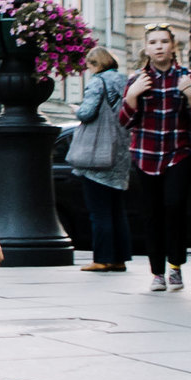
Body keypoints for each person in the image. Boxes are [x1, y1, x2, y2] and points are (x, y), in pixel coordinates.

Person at [122, 26, 191, 292]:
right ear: (146, 48)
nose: (159, 47)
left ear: (173, 47)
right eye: (153, 42)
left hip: (178, 154)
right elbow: (124, 122)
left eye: (164, 42)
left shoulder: (186, 76)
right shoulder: (138, 79)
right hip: (146, 155)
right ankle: (157, 272)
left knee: (174, 206)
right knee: (151, 214)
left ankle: (176, 266)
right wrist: (132, 96)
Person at [68, 46, 131, 271]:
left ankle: (102, 258)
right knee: (116, 209)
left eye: (89, 65)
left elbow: (87, 112)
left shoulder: (97, 82)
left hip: (98, 155)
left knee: (99, 210)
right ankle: (119, 258)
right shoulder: (124, 81)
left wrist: (76, 109)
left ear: (96, 64)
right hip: (120, 152)